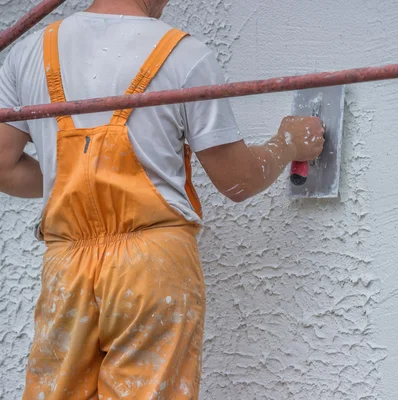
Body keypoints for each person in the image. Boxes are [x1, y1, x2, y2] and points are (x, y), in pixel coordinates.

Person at [0, 0, 325, 398]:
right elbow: (237, 180)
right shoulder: (183, 55)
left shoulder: (29, 52)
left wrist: (67, 173)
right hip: (151, 265)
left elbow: (4, 166)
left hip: (66, 267)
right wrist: (285, 143)